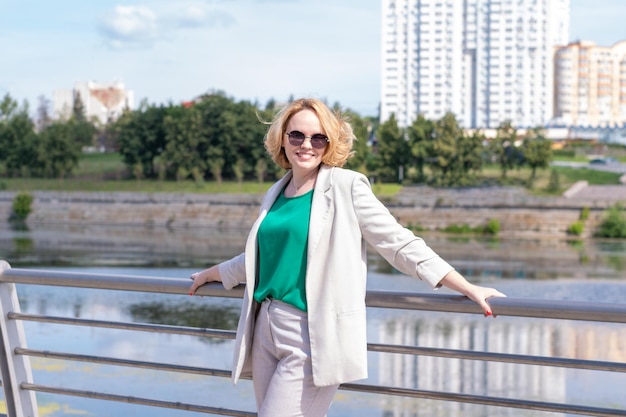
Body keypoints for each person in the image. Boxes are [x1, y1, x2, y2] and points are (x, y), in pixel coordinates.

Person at [189, 98, 506, 417]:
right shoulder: (277, 192)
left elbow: (399, 243)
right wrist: (214, 273)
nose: (306, 145)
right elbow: (262, 257)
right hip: (265, 328)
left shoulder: (346, 186)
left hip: (312, 335)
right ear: (282, 138)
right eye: (297, 135)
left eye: (318, 138)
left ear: (329, 143)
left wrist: (465, 286)